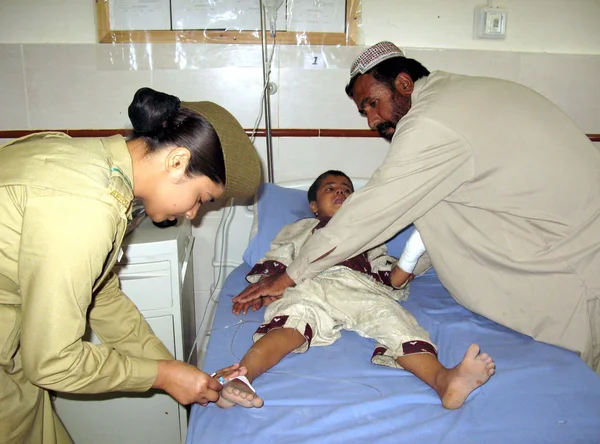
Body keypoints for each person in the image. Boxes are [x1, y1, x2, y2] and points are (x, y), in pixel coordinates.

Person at [233, 41, 600, 374]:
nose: (372, 121)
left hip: (576, 263)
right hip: (567, 236)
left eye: (372, 104)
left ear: (404, 85)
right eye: (364, 112)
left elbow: (368, 214)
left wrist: (288, 277)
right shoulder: (459, 95)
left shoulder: (430, 123)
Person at [0, 87, 262, 444]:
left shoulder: (94, 166)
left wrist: (175, 370)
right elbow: (53, 363)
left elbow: (103, 298)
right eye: (201, 198)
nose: (192, 213)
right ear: (177, 162)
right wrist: (161, 376)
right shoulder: (87, 207)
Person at [218, 170, 495, 411]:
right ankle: (242, 376)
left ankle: (443, 380)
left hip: (362, 288)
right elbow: (279, 259)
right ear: (313, 206)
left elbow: (390, 278)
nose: (340, 191)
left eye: (347, 190)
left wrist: (412, 256)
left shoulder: (370, 237)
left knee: (395, 321)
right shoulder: (300, 228)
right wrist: (264, 288)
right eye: (330, 188)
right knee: (292, 317)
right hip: (313, 283)